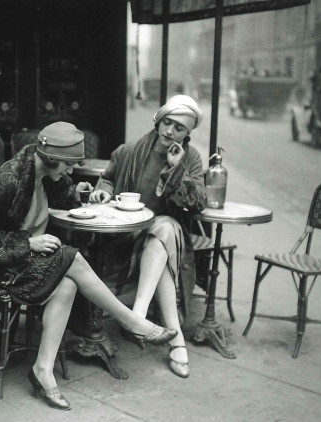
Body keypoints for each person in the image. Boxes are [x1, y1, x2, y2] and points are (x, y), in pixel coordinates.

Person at [0, 121, 177, 411]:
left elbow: (59, 194)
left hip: (26, 261)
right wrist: (27, 243)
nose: (70, 171)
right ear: (50, 157)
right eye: (68, 165)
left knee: (69, 282)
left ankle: (42, 371)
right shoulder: (9, 179)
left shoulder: (44, 173)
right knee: (72, 257)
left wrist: (78, 191)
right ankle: (133, 321)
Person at [90, 95, 207, 379]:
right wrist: (102, 190)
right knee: (161, 247)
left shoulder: (190, 158)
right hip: (127, 236)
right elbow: (107, 178)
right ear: (158, 120)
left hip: (167, 235)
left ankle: (137, 315)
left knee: (164, 227)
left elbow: (199, 203)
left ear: (187, 133)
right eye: (167, 123)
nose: (170, 131)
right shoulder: (128, 151)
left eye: (179, 128)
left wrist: (177, 169)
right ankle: (175, 339)